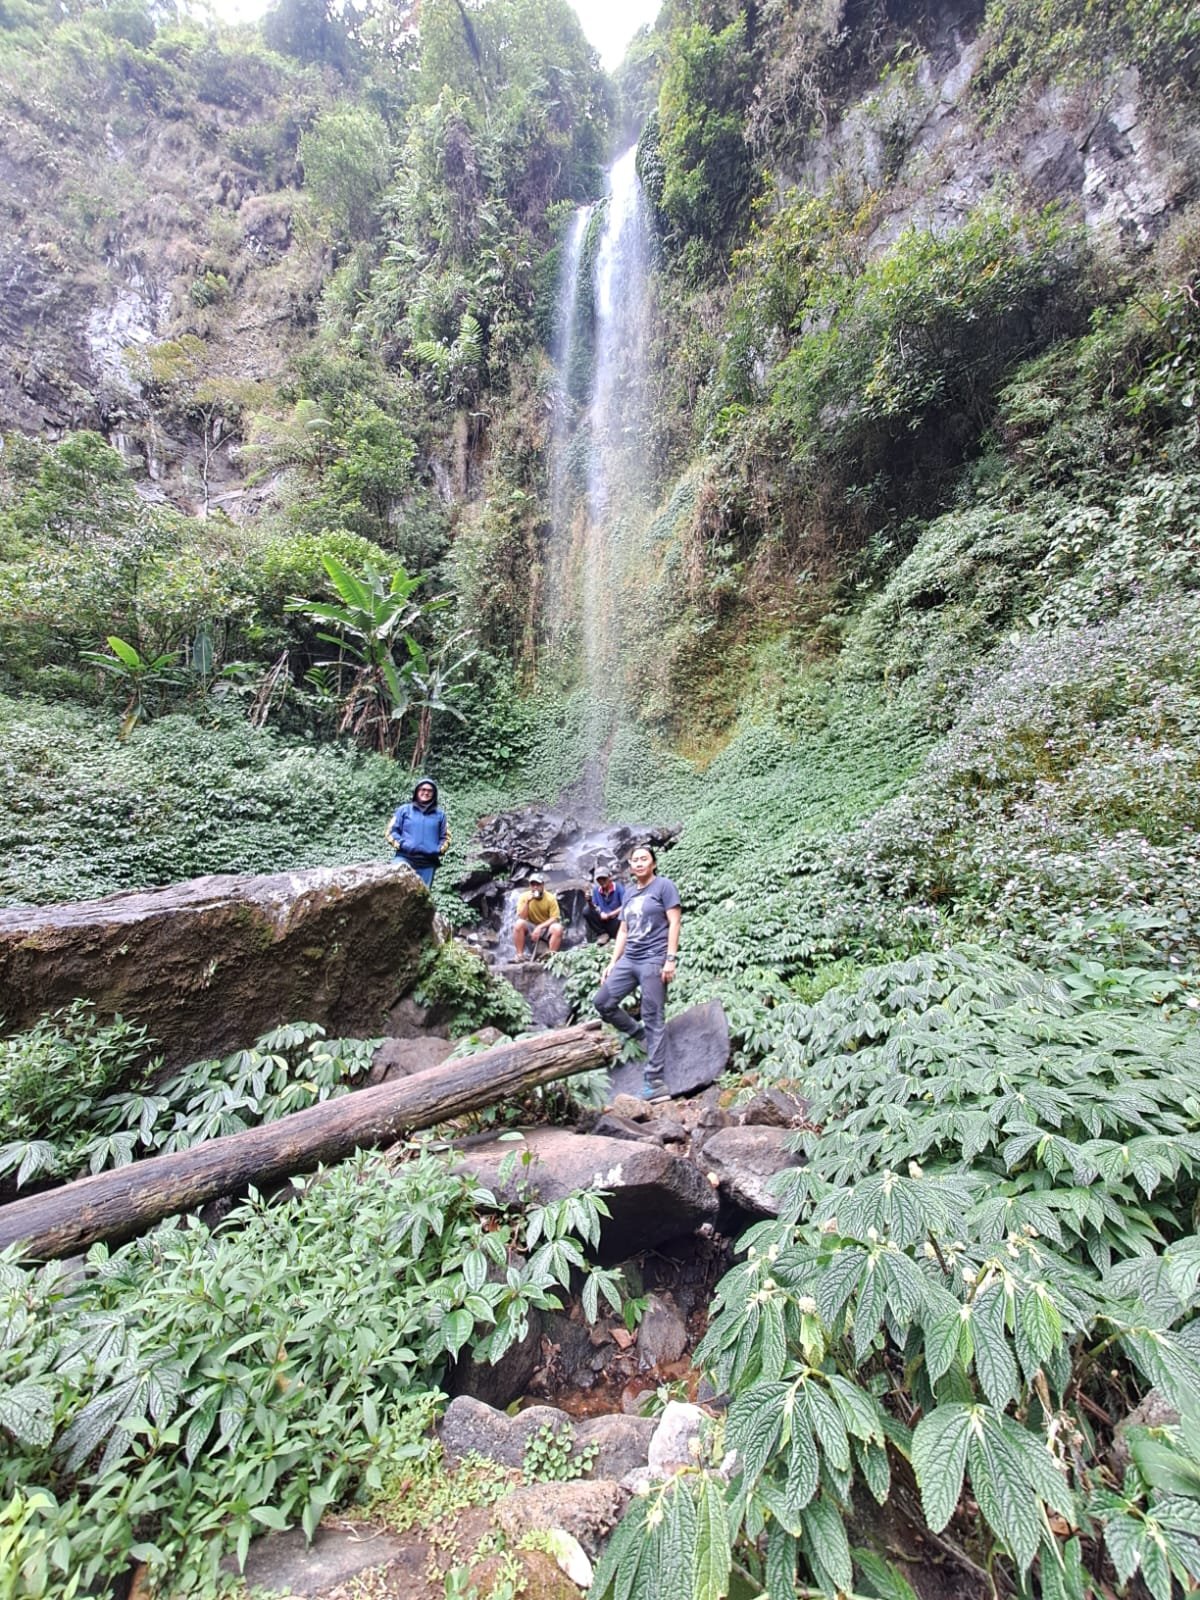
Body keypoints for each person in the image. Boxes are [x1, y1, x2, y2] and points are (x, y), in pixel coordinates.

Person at [591, 844, 681, 1102]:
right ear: (630, 867)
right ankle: (637, 1033)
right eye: (635, 860)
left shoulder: (664, 886)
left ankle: (655, 1082)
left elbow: (675, 921)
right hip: (630, 959)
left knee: (653, 1015)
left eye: (644, 859)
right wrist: (612, 962)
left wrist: (670, 959)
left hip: (654, 959)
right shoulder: (629, 892)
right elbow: (623, 930)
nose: (639, 863)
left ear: (653, 863)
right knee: (603, 1002)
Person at [386, 777, 450, 887]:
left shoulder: (440, 815)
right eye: (423, 789)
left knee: (422, 898)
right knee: (395, 888)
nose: (426, 792)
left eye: (430, 791)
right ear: (417, 791)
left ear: (434, 794)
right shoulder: (404, 810)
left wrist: (437, 850)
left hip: (428, 864)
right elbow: (391, 832)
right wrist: (404, 845)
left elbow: (446, 837)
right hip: (404, 858)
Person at [514, 873, 564, 961]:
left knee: (558, 928)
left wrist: (540, 927)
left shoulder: (550, 898)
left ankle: (550, 957)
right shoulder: (524, 897)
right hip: (531, 927)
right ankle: (519, 955)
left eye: (538, 884)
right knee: (518, 924)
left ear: (543, 885)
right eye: (533, 885)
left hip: (546, 928)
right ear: (530, 886)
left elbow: (555, 918)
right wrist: (527, 903)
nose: (535, 887)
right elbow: (522, 917)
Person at [583, 866, 625, 945]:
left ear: (610, 877)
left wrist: (609, 915)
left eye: (604, 878)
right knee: (586, 910)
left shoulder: (619, 888)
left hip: (616, 921)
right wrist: (589, 901)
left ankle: (618, 937)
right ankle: (602, 934)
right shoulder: (596, 890)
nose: (602, 881)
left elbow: (625, 905)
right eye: (599, 879)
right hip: (603, 921)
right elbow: (594, 907)